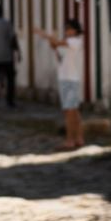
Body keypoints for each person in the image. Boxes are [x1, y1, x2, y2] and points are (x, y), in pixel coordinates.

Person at [36, 17, 85, 149]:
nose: (68, 31)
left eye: (70, 29)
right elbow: (57, 49)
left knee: (70, 111)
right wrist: (52, 41)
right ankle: (79, 138)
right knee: (72, 111)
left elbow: (57, 43)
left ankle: (70, 140)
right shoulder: (67, 43)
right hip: (64, 78)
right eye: (66, 29)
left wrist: (45, 35)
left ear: (76, 30)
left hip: (71, 80)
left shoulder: (75, 42)